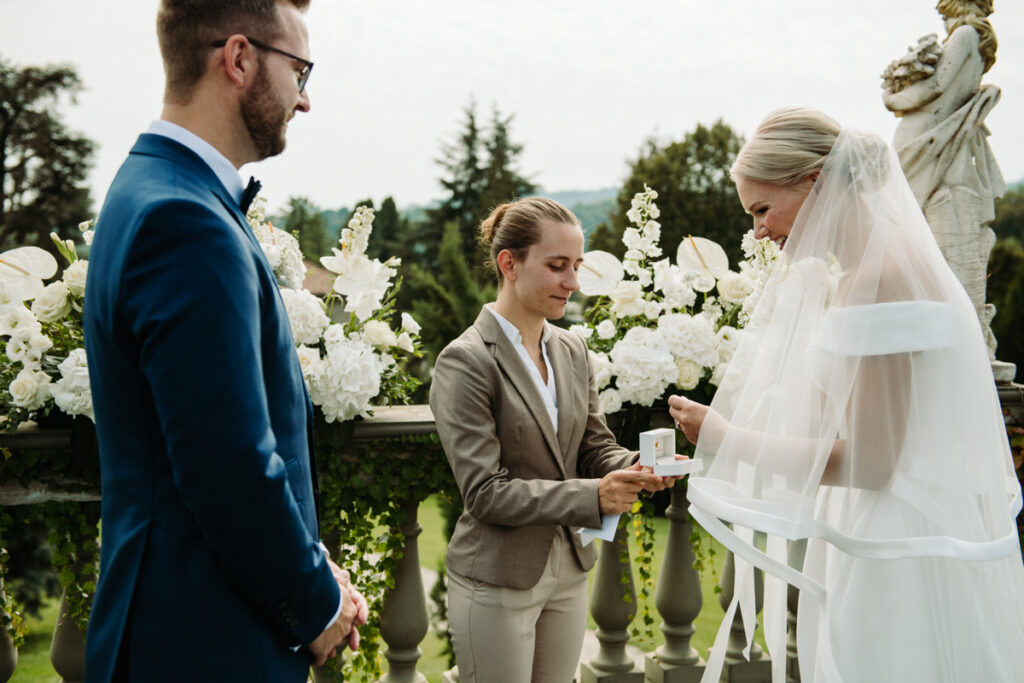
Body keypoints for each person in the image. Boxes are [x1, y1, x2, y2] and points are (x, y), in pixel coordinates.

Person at [669, 106, 1024, 682]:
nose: (758, 230)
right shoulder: (887, 269)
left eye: (762, 208)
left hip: (893, 545)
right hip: (917, 521)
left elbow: (873, 462)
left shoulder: (876, 283)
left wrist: (724, 436)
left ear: (815, 181)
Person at [83, 2, 366, 680]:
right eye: (299, 69)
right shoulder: (185, 219)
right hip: (201, 639)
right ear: (238, 59)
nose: (305, 99)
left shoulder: (152, 187)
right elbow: (228, 461)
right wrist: (315, 599)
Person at [430, 197, 676, 683]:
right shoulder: (466, 361)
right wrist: (593, 496)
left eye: (577, 266)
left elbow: (591, 447)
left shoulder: (571, 347)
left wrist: (640, 464)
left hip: (570, 569)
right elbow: (484, 492)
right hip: (498, 579)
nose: (573, 283)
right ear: (510, 264)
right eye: (557, 266)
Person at [882, 0, 1004, 357]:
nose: (940, 13)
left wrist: (892, 95)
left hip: (933, 143)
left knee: (911, 230)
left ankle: (961, 338)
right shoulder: (971, 39)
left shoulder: (965, 35)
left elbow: (936, 86)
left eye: (944, 7)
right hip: (935, 143)